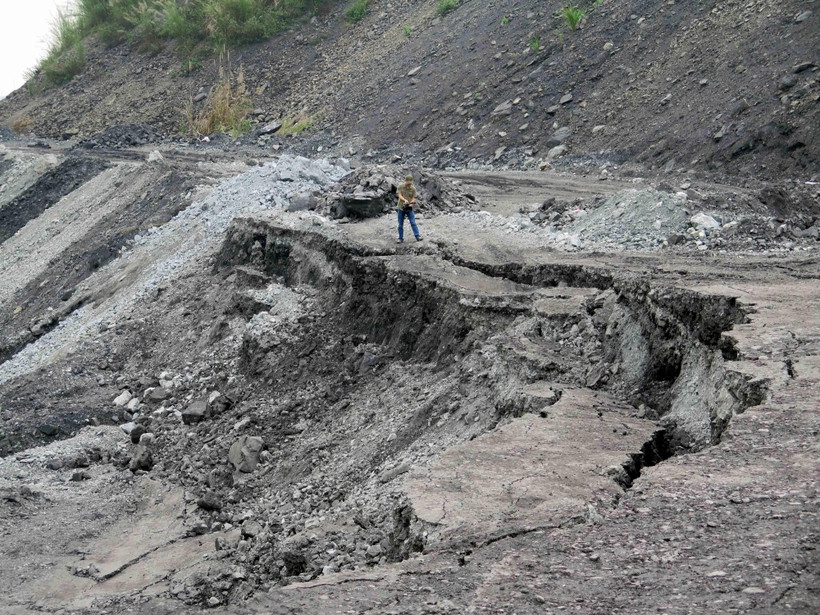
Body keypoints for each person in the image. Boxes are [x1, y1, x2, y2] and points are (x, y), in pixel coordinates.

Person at [396, 174, 422, 243]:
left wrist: (410, 204)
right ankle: (400, 238)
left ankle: (417, 236)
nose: (408, 185)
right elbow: (399, 195)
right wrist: (405, 200)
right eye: (408, 184)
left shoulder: (413, 189)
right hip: (401, 207)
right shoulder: (400, 186)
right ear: (405, 181)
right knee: (400, 224)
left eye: (410, 184)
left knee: (413, 222)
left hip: (409, 208)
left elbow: (413, 198)